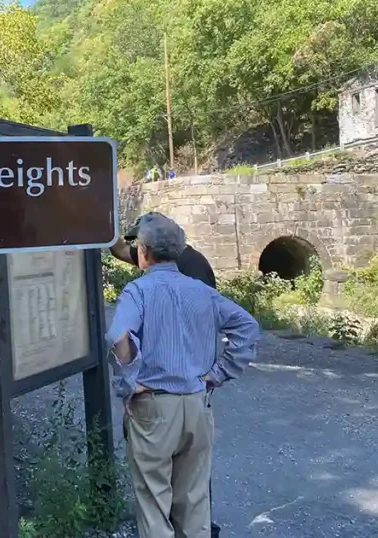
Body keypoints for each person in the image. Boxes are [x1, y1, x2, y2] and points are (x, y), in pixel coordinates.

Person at [105, 213, 259, 538]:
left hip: (154, 409)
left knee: (154, 504)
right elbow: (247, 327)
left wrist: (130, 383)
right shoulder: (201, 291)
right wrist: (218, 374)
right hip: (197, 403)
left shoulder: (138, 291)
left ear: (143, 251)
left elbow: (118, 336)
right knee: (194, 502)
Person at [109, 214, 216, 289]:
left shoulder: (193, 265)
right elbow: (121, 250)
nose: (139, 249)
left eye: (140, 242)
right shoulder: (157, 256)